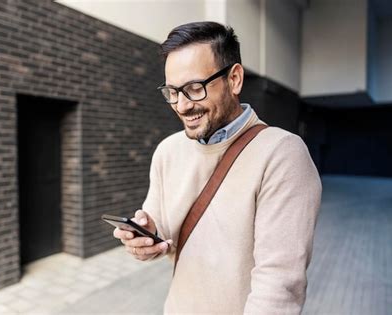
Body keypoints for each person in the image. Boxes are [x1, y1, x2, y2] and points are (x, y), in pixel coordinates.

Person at [113, 21, 322, 314]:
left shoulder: (282, 154)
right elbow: (163, 236)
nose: (182, 105)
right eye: (172, 92)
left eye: (194, 88)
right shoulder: (167, 151)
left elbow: (278, 285)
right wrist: (145, 241)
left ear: (234, 79)